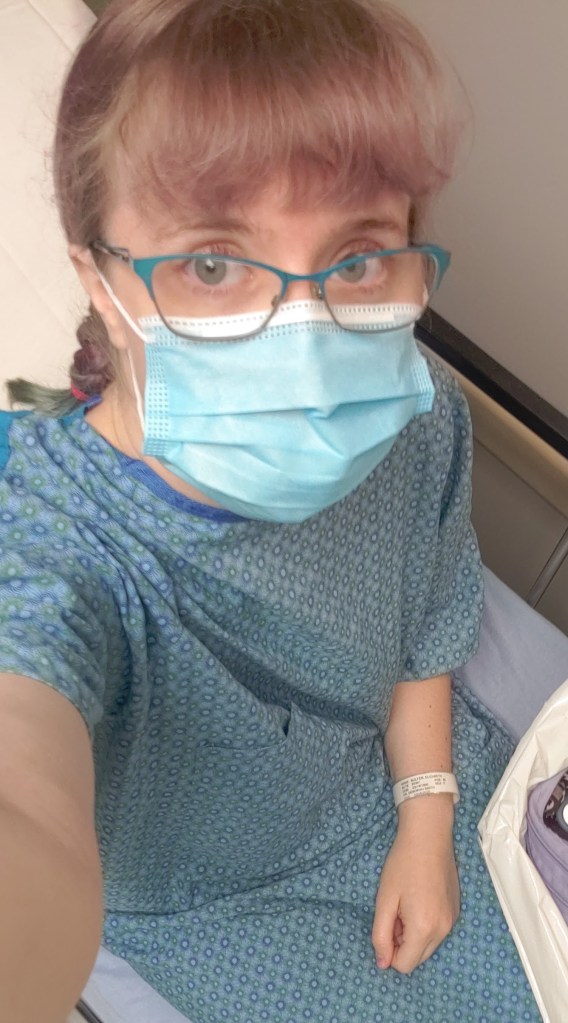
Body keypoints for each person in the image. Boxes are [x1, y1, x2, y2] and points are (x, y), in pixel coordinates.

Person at [0, 1, 541, 1021]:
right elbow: (21, 780)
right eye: (211, 263)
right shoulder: (45, 537)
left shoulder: (413, 420)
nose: (306, 337)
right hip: (217, 905)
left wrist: (426, 818)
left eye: (357, 256)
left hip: (411, 784)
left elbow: (427, 617)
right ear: (99, 281)